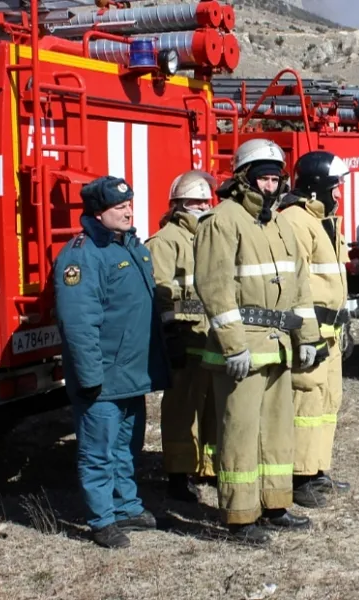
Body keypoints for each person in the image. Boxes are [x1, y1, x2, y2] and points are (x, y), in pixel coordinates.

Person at [193, 139, 322, 546]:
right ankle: (240, 516)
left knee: (277, 431)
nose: (270, 185)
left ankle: (275, 505)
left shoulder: (280, 224)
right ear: (244, 178)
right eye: (263, 177)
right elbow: (214, 288)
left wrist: (307, 337)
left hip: (278, 346)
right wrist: (233, 346)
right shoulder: (221, 221)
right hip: (243, 351)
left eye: (275, 178)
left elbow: (300, 286)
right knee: (240, 434)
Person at [53, 175, 171, 549]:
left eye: (129, 204)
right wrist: (90, 377)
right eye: (119, 207)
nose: (128, 211)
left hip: (131, 375)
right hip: (102, 378)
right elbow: (78, 322)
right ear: (97, 213)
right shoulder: (82, 255)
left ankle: (126, 507)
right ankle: (102, 520)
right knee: (98, 452)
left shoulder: (130, 246)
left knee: (126, 447)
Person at [277, 150, 352, 509]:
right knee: (306, 401)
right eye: (336, 186)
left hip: (330, 331)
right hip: (311, 333)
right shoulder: (295, 220)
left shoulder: (323, 220)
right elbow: (296, 286)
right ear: (317, 185)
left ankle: (317, 468)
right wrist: (306, 335)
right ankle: (299, 476)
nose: (339, 193)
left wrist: (344, 323)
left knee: (326, 402)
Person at [145, 170, 217, 504]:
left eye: (206, 201)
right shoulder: (165, 241)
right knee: (181, 409)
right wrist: (171, 335)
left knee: (212, 406)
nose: (202, 206)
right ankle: (177, 474)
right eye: (194, 201)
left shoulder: (211, 236)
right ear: (177, 204)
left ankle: (209, 467)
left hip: (211, 337)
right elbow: (161, 295)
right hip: (185, 338)